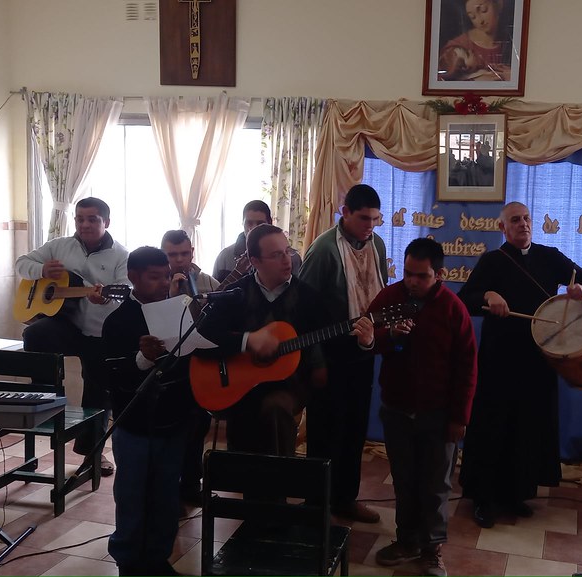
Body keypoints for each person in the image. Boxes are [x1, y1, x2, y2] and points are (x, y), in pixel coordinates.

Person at [457, 201, 582, 528]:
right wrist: (488, 296)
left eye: (526, 219)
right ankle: (484, 497)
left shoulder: (550, 256)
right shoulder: (492, 261)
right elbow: (466, 297)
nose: (522, 224)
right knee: (493, 425)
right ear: (502, 228)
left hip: (539, 358)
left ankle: (515, 494)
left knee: (528, 425)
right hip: (499, 358)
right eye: (514, 220)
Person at [354, 238, 477, 577]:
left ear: (439, 274)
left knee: (436, 484)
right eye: (408, 273)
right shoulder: (390, 298)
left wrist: (459, 418)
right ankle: (406, 540)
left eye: (421, 276)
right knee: (405, 480)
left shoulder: (453, 309)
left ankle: (432, 549)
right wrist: (379, 338)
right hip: (396, 409)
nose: (412, 281)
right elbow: (368, 337)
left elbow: (468, 368)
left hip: (439, 414)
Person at [15, 197, 128, 476]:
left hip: (99, 332)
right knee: (35, 334)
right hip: (65, 323)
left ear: (106, 222)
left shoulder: (121, 256)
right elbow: (22, 263)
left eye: (92, 219)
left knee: (98, 388)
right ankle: (46, 404)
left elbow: (126, 294)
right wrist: (41, 270)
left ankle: (93, 453)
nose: (85, 224)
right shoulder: (59, 246)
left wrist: (106, 300)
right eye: (80, 219)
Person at [102, 246, 196, 576]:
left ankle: (158, 557)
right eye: (154, 277)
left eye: (166, 276)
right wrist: (143, 358)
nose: (162, 283)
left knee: (166, 492)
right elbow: (113, 373)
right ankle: (128, 560)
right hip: (135, 424)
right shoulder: (118, 321)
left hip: (173, 420)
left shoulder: (180, 312)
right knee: (132, 493)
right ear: (133, 278)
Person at [197, 224, 328, 457]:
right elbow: (203, 338)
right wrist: (247, 340)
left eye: (287, 251)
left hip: (289, 384)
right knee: (243, 415)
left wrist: (319, 364)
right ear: (254, 261)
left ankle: (276, 485)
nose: (287, 260)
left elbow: (322, 338)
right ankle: (246, 484)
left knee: (276, 408)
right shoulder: (236, 294)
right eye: (276, 255)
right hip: (240, 383)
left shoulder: (308, 297)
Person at [300, 183, 389, 523]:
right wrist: (316, 362)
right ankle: (315, 503)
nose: (370, 226)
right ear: (345, 213)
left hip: (362, 350)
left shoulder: (376, 244)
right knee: (324, 431)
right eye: (364, 218)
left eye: (375, 219)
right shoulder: (323, 250)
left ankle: (345, 499)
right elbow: (304, 310)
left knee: (354, 429)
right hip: (328, 352)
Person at [160, 229, 219, 505]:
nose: (179, 260)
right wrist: (172, 295)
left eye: (184, 253)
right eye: (172, 255)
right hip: (167, 368)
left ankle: (192, 484)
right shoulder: (156, 283)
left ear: (192, 253)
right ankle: (167, 486)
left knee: (199, 422)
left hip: (200, 365)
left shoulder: (207, 281)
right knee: (172, 426)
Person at [212, 199, 301, 282]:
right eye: (249, 223)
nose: (253, 228)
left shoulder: (291, 258)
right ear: (242, 223)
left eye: (260, 224)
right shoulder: (225, 257)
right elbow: (216, 294)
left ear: (270, 223)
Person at [437, 0, 512, 82]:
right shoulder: (456, 47)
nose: (480, 21)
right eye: (473, 17)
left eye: (484, 10)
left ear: (498, 4)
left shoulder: (510, 39)